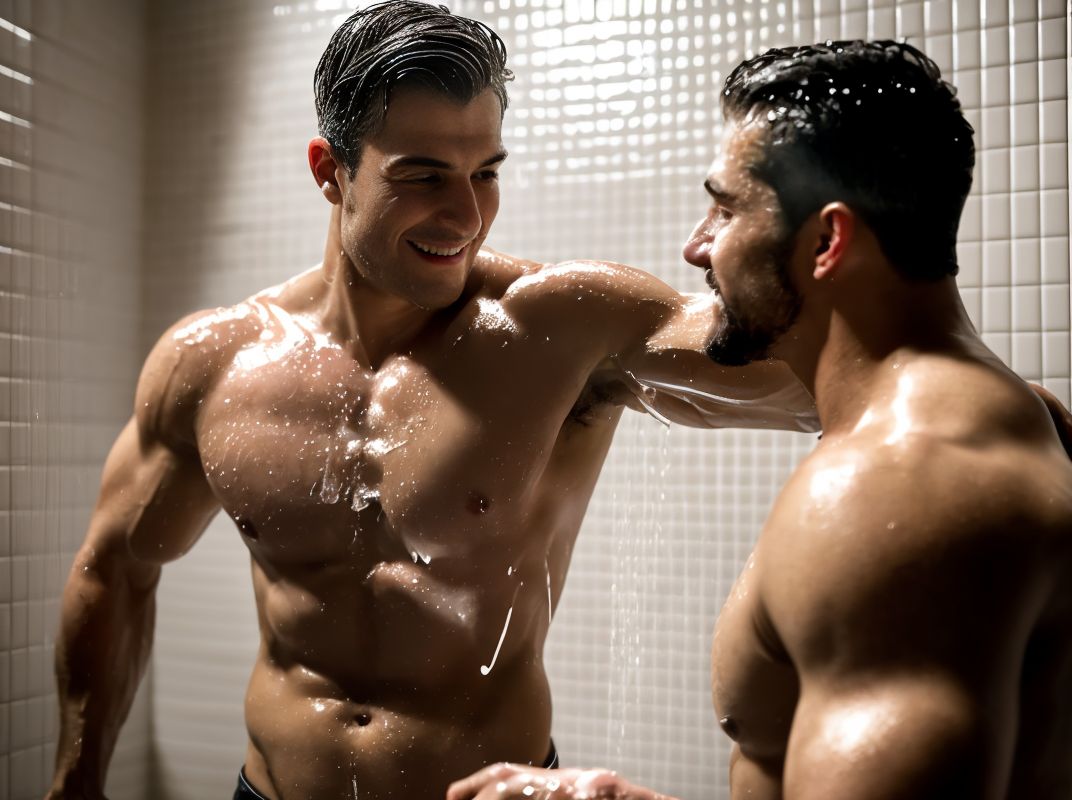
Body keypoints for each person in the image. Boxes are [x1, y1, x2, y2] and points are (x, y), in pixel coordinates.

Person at [45, 4, 820, 799]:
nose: (465, 215)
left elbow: (824, 385)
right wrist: (75, 783)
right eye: (422, 177)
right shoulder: (213, 362)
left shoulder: (559, 327)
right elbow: (114, 567)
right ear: (330, 171)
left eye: (485, 173)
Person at [448, 40, 1072, 800]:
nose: (696, 245)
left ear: (827, 241)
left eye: (725, 206)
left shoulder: (899, 489)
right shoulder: (1012, 416)